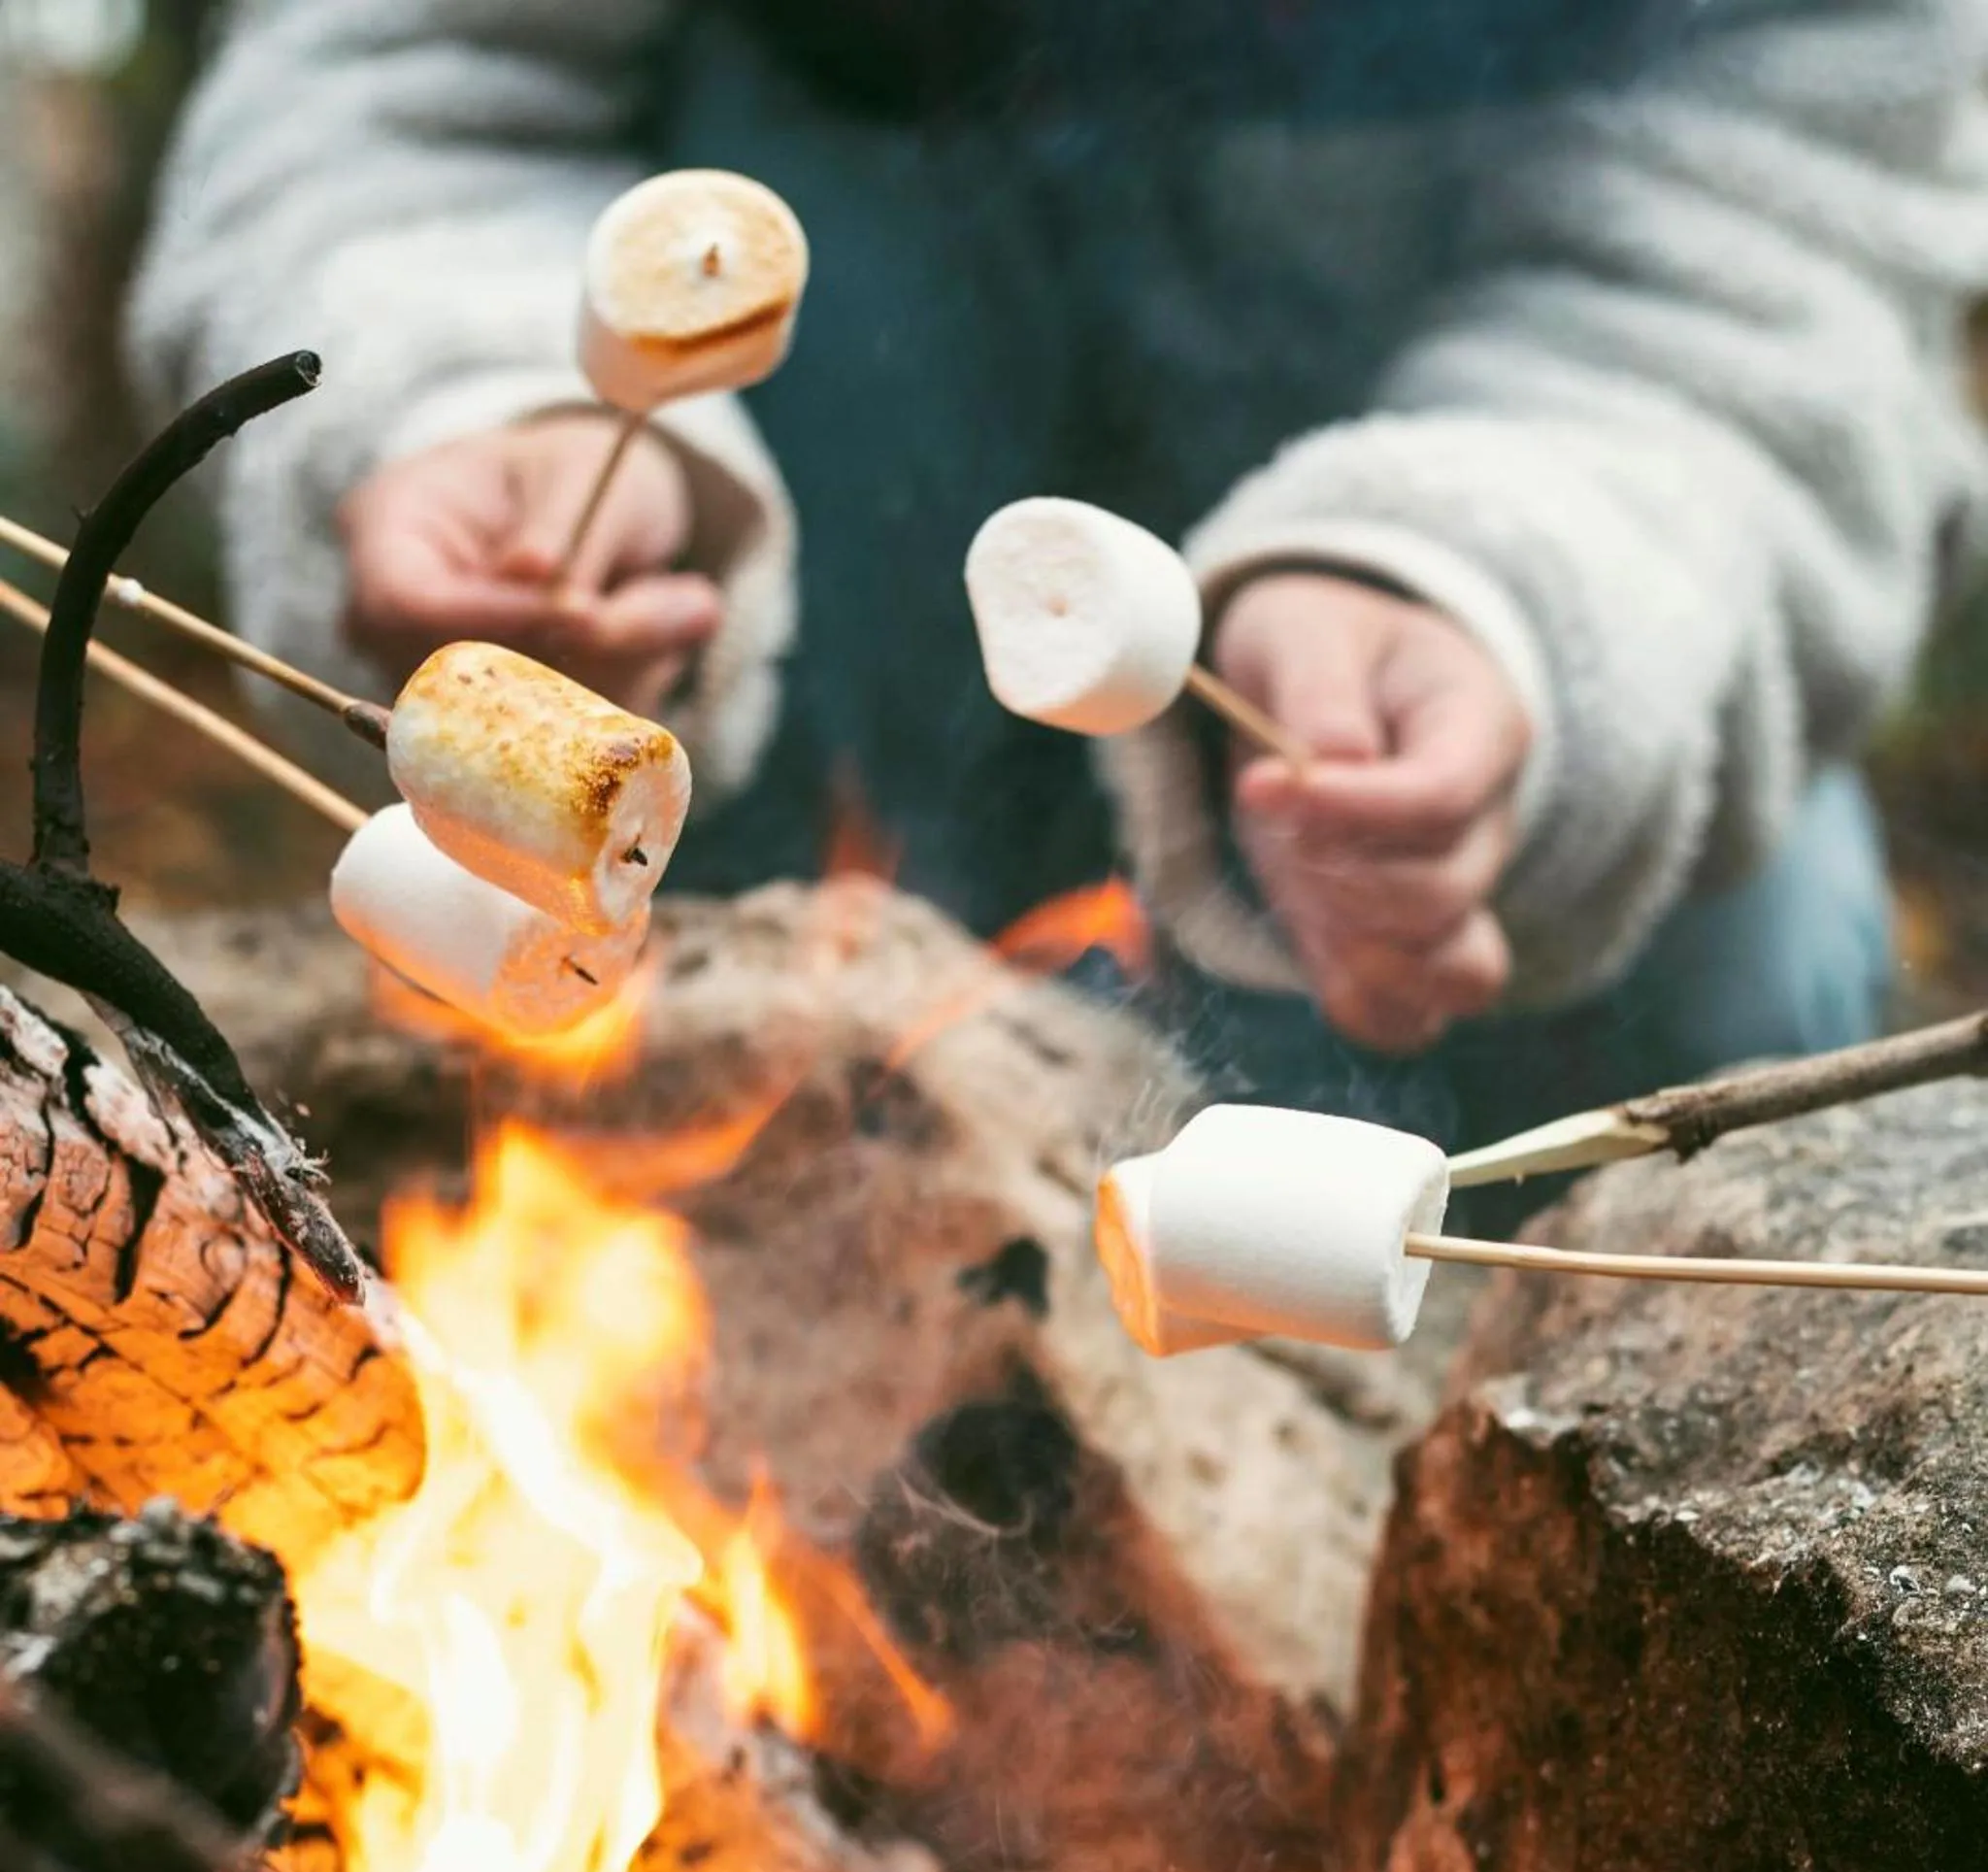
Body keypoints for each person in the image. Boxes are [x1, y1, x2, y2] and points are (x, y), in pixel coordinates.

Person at [129, 3, 1988, 1151]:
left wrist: (1510, 586)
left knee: (1741, 946)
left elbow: (1796, 255)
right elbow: (395, 86)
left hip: (1491, 586)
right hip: (793, 566)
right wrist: (479, 387)